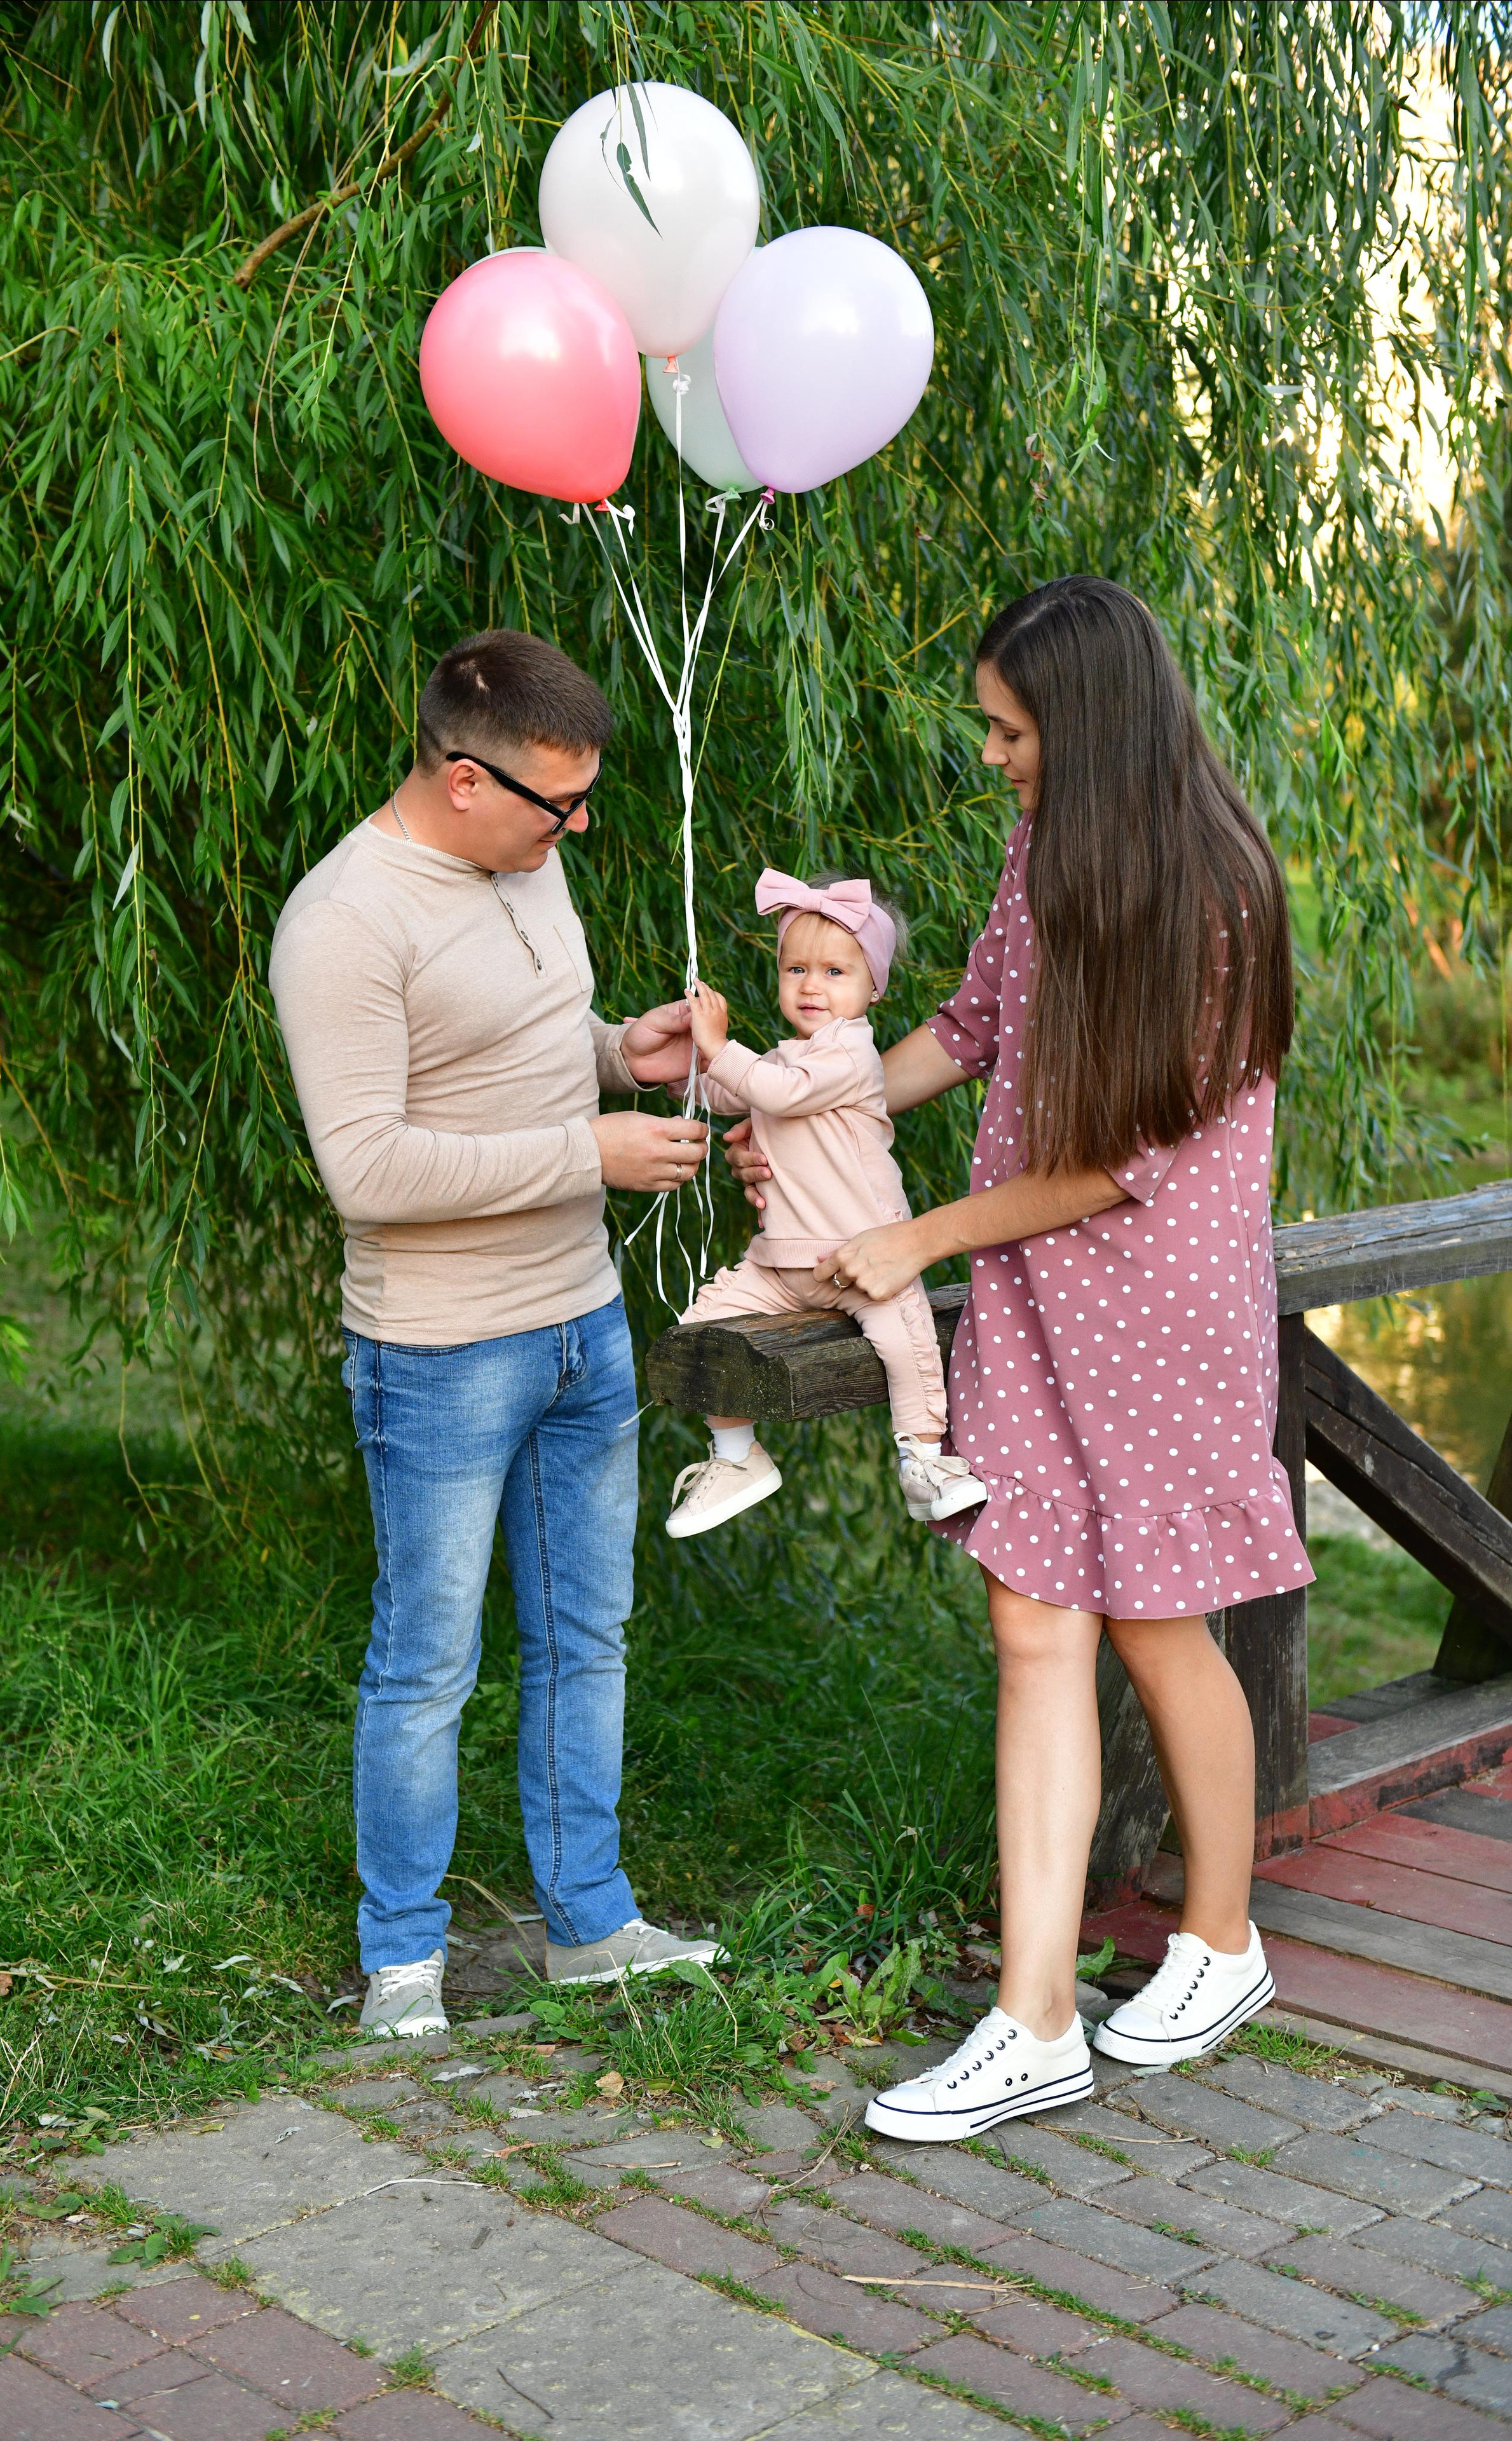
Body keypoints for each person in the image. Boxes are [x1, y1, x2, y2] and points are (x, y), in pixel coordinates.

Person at [728, 577, 1309, 2136]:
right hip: (1037, 1290)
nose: (990, 755)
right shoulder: (1041, 846)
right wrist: (808, 1098)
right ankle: (1034, 2016)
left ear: (1088, 721)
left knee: (1154, 1620)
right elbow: (967, 1030)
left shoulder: (1213, 894)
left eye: (1008, 728)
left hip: (1153, 1298)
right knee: (1029, 1621)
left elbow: (1122, 1156)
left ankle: (1222, 1934)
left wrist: (914, 1235)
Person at [270, 628, 720, 2038]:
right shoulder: (344, 921)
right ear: (461, 778)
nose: (575, 827)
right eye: (553, 804)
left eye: (583, 802)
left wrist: (619, 1049)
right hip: (444, 1353)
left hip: (580, 1322)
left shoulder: (526, 854)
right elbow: (373, 1171)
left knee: (590, 1636)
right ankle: (400, 1962)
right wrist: (587, 1149)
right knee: (428, 1662)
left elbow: (524, 1045)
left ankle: (590, 1920)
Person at [664, 867, 984, 1538]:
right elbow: (738, 1091)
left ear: (874, 987)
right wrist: (685, 1066)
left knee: (908, 1344)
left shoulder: (850, 1057)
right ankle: (736, 1457)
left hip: (863, 1258)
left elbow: (772, 1090)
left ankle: (924, 1459)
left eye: (836, 972)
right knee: (702, 1337)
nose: (811, 986)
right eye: (796, 969)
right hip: (780, 1263)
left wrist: (722, 1049)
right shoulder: (787, 1058)